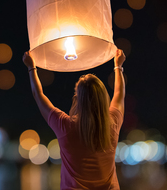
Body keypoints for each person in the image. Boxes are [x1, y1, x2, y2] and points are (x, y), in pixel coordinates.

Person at [22, 49, 126, 189]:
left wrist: (31, 67)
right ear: (103, 98)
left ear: (77, 99)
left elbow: (38, 95)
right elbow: (119, 94)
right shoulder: (113, 123)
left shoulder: (65, 126)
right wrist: (118, 66)